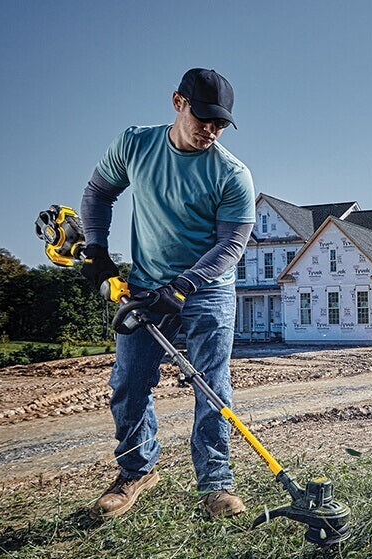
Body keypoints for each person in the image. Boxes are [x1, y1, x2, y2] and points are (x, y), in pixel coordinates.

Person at [79, 68, 256, 520]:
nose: (210, 131)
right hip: (143, 284)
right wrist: (97, 253)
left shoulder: (232, 175)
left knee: (211, 387)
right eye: (203, 118)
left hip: (207, 291)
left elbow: (231, 246)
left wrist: (181, 288)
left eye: (220, 124)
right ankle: (136, 471)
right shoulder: (135, 145)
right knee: (129, 383)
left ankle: (216, 485)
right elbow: (98, 193)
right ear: (178, 102)